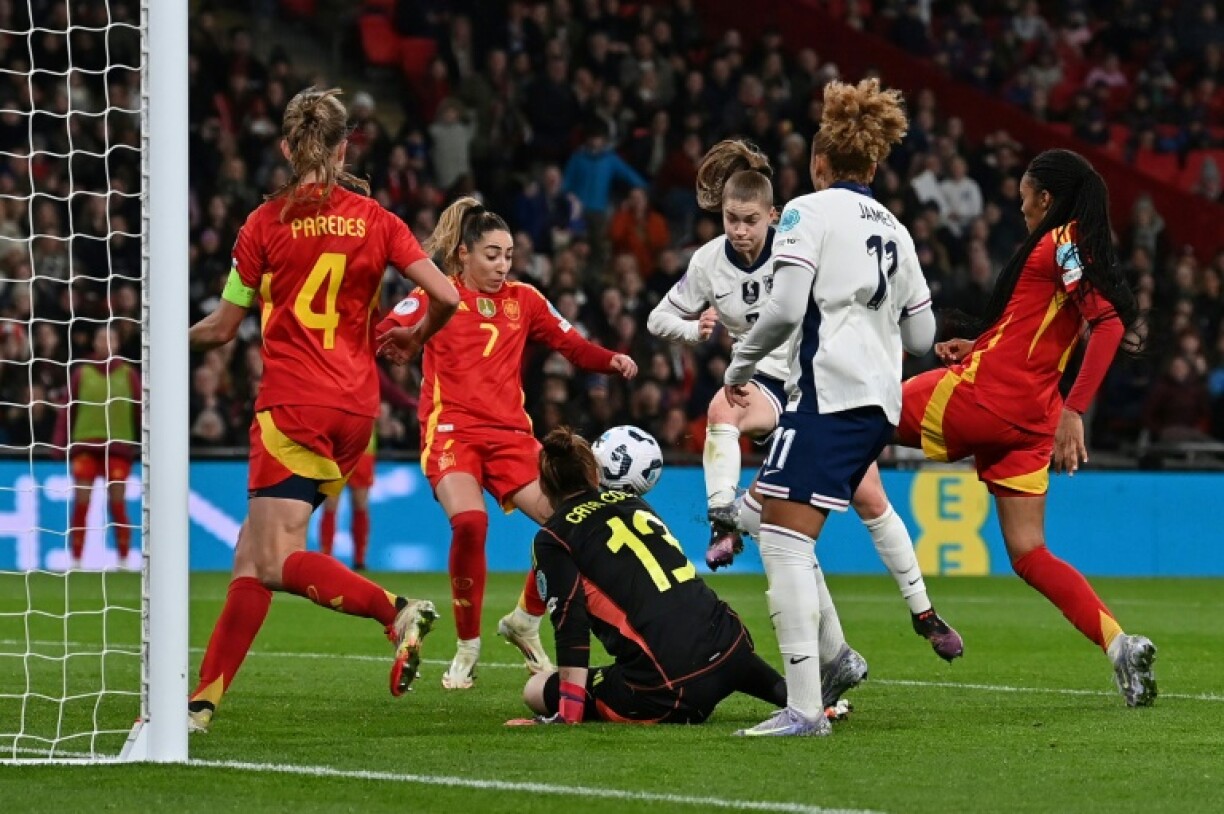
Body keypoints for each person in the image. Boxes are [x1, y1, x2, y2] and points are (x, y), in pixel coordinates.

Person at [185, 87, 460, 733]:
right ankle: (202, 704)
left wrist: (162, 335)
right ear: (343, 149)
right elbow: (446, 293)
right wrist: (413, 340)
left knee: (276, 559)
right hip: (355, 413)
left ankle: (394, 608)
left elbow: (224, 328)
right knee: (251, 561)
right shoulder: (378, 219)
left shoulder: (262, 225)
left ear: (285, 148)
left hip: (292, 407)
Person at [647, 138, 962, 665]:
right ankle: (726, 518)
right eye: (731, 219)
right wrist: (694, 331)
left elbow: (797, 310)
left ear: (771, 215)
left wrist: (739, 360)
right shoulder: (707, 264)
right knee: (731, 423)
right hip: (789, 386)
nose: (741, 230)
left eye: (750, 220)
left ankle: (914, 613)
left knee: (857, 501)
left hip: (814, 384)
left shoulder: (801, 231)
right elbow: (659, 318)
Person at [895, 148, 1158, 707]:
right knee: (1029, 552)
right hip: (1027, 420)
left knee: (856, 416)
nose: (1019, 210)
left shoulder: (1063, 241)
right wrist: (984, 344)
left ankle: (762, 503)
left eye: (1023, 199)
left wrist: (1075, 410)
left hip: (988, 397)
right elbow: (1038, 328)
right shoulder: (1069, 247)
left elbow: (1107, 324)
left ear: (1044, 196)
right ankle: (1120, 644)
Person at [723, 78, 936, 736]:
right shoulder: (896, 228)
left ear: (818, 165)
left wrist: (741, 362)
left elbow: (786, 308)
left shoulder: (806, 213)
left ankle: (806, 706)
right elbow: (922, 337)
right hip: (877, 404)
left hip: (828, 394)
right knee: (760, 514)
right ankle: (829, 666)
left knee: (783, 543)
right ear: (872, 165)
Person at [376, 197, 638, 691]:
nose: (502, 265)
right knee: (471, 522)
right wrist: (400, 334)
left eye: (509, 255)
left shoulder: (526, 300)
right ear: (463, 255)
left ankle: (523, 618)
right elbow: (389, 330)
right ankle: (467, 645)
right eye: (492, 254)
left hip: (513, 438)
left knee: (570, 524)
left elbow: (572, 344)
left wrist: (611, 360)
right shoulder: (437, 292)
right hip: (452, 431)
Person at [510, 427, 788, 725]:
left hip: (670, 690)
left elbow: (570, 621)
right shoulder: (634, 503)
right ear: (593, 475)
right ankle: (800, 698)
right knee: (691, 631)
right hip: (732, 647)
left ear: (544, 484)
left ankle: (592, 703)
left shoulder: (553, 537)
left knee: (536, 689)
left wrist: (567, 715)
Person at [53, 325, 140, 570]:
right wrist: (60, 444)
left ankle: (124, 559)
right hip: (86, 446)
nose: (106, 342)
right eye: (102, 337)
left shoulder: (128, 374)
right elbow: (67, 409)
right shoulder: (82, 373)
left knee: (117, 504)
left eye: (111, 337)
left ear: (118, 343)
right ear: (94, 342)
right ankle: (76, 558)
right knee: (82, 502)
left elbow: (140, 410)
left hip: (118, 448)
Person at [319, 430, 375, 570]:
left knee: (360, 504)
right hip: (334, 450)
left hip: (362, 449)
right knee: (330, 504)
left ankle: (360, 560)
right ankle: (326, 556)